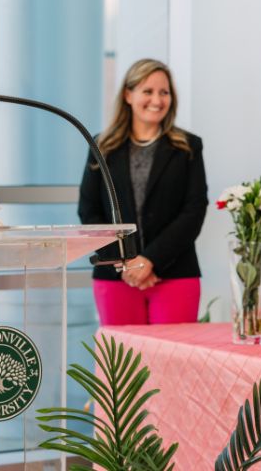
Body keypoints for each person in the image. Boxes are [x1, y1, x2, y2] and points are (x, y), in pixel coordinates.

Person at [78, 58, 207, 325]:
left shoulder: (188, 147)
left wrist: (150, 260)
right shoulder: (102, 146)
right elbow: (89, 209)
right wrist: (126, 261)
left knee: (173, 365)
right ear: (128, 94)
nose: (157, 100)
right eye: (148, 91)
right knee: (121, 366)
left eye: (164, 92)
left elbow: (194, 210)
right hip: (116, 276)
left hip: (174, 275)